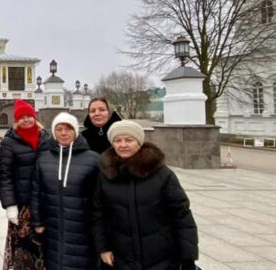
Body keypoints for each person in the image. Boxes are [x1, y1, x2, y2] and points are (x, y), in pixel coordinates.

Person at [92, 120, 199, 270]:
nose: (123, 145)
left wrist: (188, 256)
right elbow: (98, 215)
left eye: (129, 140)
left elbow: (181, 215)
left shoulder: (162, 174)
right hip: (121, 257)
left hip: (161, 257)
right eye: (118, 140)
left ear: (139, 142)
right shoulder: (105, 176)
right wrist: (103, 248)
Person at [31, 112, 99, 269]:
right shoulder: (44, 159)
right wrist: (37, 221)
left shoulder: (93, 159)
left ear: (75, 131)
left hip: (82, 227)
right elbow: (36, 192)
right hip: (53, 226)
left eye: (68, 129)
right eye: (59, 129)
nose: (63, 133)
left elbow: (99, 197)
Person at [0, 99, 50, 270]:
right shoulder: (9, 141)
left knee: (45, 249)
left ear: (35, 117)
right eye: (21, 117)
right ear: (16, 120)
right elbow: (5, 174)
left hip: (44, 202)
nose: (26, 120)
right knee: (24, 251)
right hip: (23, 206)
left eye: (29, 116)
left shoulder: (46, 138)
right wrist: (10, 205)